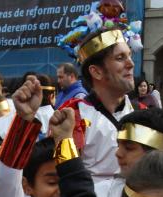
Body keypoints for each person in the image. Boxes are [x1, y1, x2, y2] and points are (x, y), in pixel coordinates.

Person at [58, 27, 137, 182]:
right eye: (120, 58)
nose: (131, 64)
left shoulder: (142, 113)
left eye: (130, 55)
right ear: (96, 72)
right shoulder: (73, 116)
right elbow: (64, 175)